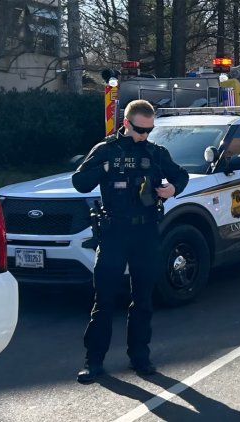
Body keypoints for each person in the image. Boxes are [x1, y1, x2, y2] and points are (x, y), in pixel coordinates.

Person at [72, 100, 189, 384]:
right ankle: (94, 361)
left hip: (145, 233)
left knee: (144, 298)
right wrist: (105, 168)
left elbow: (181, 176)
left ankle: (140, 357)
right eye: (139, 130)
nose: (144, 136)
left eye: (149, 130)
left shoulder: (155, 152)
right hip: (114, 233)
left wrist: (172, 189)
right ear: (126, 124)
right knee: (105, 299)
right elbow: (80, 182)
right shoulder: (106, 150)